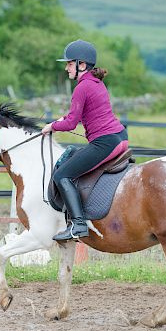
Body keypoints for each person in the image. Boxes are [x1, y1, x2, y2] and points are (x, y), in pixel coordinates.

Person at [42, 39, 128, 241]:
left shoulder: (82, 87)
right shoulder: (95, 83)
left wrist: (52, 126)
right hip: (119, 138)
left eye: (69, 64)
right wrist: (60, 120)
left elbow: (71, 123)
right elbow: (77, 115)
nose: (66, 68)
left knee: (62, 175)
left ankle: (78, 225)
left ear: (82, 65)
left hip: (105, 142)